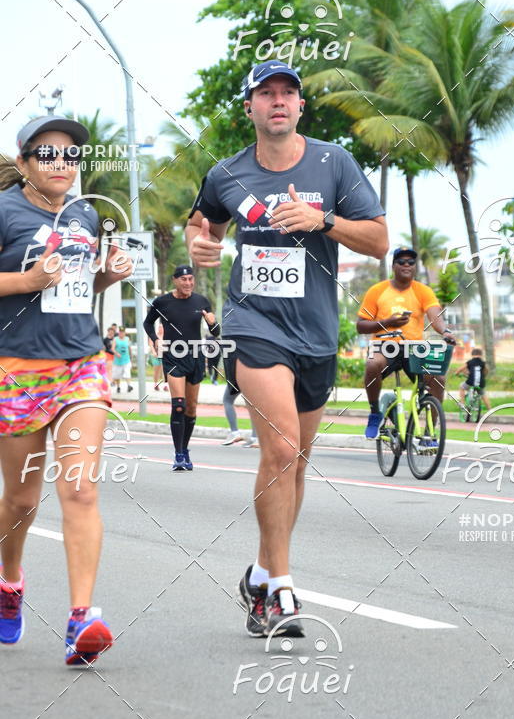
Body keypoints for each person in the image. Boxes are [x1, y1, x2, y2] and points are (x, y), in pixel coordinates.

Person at [186, 62, 388, 637]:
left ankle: (258, 573)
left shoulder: (334, 162)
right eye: (266, 94)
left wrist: (323, 220)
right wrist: (203, 248)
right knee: (279, 449)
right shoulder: (226, 172)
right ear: (249, 108)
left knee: (295, 462)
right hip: (253, 325)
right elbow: (206, 228)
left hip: (318, 333)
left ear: (300, 107)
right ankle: (281, 591)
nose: (278, 101)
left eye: (288, 94)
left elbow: (378, 239)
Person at [0, 114, 133, 664]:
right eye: (48, 153)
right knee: (22, 500)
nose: (62, 163)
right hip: (16, 369)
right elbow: (32, 282)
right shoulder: (6, 210)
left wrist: (105, 276)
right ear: (27, 163)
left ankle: (81, 619)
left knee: (79, 489)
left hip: (81, 361)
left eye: (71, 155)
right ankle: (9, 582)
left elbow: (78, 284)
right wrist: (28, 282)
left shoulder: (85, 214)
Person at [357, 246, 456, 438]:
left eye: (411, 262)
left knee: (438, 379)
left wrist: (445, 331)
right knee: (372, 364)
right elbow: (360, 326)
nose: (406, 265)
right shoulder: (377, 290)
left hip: (413, 350)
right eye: (401, 261)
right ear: (393, 266)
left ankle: (429, 431)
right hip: (385, 346)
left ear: (415, 267)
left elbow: (435, 315)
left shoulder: (422, 291)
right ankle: (375, 412)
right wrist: (388, 323)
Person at [143, 265, 219, 471]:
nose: (188, 283)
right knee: (178, 404)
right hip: (173, 356)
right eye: (184, 279)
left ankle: (185, 449)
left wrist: (213, 324)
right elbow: (147, 323)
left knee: (191, 408)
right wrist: (155, 339)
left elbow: (216, 330)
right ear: (175, 280)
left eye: (190, 279)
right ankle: (178, 454)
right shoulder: (162, 302)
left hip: (195, 356)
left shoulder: (201, 301)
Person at [148, 320, 168, 391]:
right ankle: (156, 384)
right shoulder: (154, 335)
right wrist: (153, 352)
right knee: (156, 371)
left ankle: (165, 385)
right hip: (156, 355)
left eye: (162, 327)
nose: (161, 329)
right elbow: (150, 344)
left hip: (164, 355)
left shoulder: (166, 336)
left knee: (165, 370)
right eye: (159, 327)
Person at [112, 326, 133, 393]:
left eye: (123, 332)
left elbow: (129, 348)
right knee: (117, 375)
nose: (121, 333)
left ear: (124, 333)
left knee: (127, 373)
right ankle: (118, 387)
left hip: (126, 360)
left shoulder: (127, 339)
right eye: (120, 332)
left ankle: (129, 386)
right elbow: (112, 348)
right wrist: (116, 353)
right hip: (118, 361)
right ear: (119, 332)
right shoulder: (115, 339)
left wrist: (131, 356)